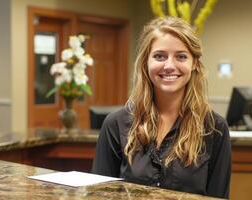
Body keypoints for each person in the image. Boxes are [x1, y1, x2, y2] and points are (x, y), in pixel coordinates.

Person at [91, 17, 231, 199]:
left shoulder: (214, 128)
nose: (169, 66)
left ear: (194, 63)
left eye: (181, 56)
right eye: (159, 56)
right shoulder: (116, 124)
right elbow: (99, 195)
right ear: (145, 62)